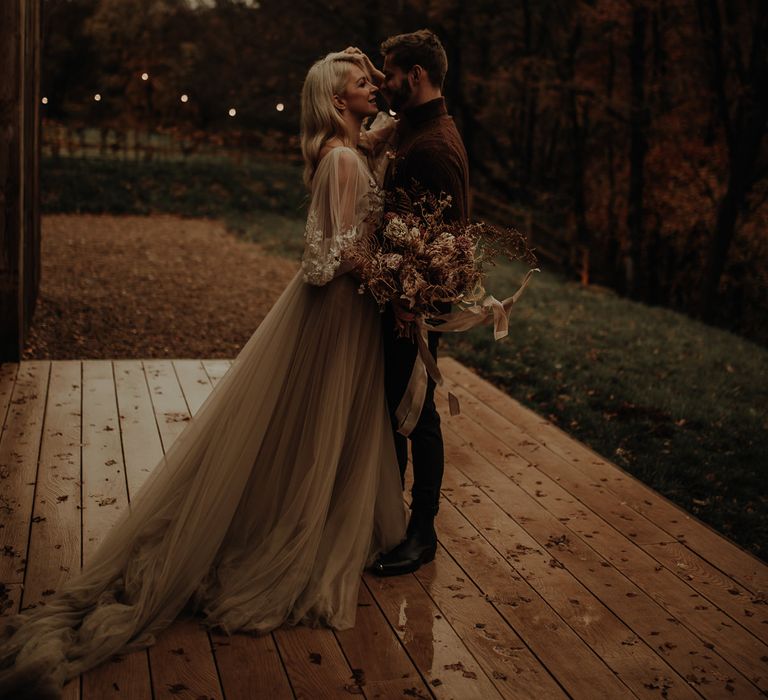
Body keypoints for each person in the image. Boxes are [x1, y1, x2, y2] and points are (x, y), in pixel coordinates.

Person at [0, 51, 405, 699]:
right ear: (336, 102)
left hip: (346, 313)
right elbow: (328, 256)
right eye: (361, 84)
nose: (373, 89)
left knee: (329, 424)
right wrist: (394, 270)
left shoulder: (350, 151)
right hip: (337, 311)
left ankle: (320, 511)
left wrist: (380, 137)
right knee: (320, 421)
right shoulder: (340, 159)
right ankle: (295, 530)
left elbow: (362, 186)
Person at [370, 30, 470, 577]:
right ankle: (390, 520)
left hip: (412, 307)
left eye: (389, 73)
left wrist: (412, 303)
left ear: (415, 75)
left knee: (417, 417)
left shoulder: (434, 147)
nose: (384, 83)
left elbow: (447, 245)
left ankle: (423, 531)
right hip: (392, 298)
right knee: (394, 413)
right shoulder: (415, 126)